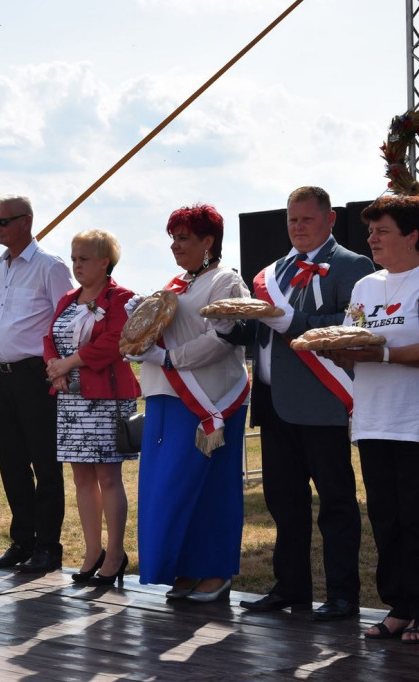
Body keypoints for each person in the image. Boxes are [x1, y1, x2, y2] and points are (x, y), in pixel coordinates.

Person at [241, 186, 374, 620]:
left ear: (330, 219)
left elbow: (352, 323)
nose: (298, 227)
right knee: (284, 503)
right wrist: (231, 328)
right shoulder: (274, 271)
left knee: (336, 503)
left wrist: (293, 320)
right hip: (274, 402)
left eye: (307, 219)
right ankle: (290, 588)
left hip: (321, 401)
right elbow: (263, 329)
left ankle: (342, 595)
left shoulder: (353, 265)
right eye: (292, 220)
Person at [128, 204, 250, 601]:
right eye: (173, 239)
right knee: (168, 490)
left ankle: (214, 570)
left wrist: (169, 358)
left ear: (208, 241)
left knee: (210, 488)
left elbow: (222, 338)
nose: (175, 246)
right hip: (166, 398)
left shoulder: (226, 280)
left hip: (208, 401)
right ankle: (184, 565)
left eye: (183, 238)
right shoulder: (177, 283)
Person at [319, 195, 419, 641]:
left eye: (383, 231)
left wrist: (383, 354)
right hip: (374, 420)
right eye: (371, 231)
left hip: (414, 421)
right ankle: (400, 606)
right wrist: (338, 352)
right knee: (386, 519)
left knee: (416, 517)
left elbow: (384, 350)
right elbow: (353, 341)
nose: (372, 239)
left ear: (412, 236)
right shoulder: (365, 287)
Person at [43, 229, 139, 586]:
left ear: (104, 262)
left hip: (107, 400)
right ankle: (92, 551)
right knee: (81, 478)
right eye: (74, 258)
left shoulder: (121, 299)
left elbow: (115, 342)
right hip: (71, 399)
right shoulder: (68, 299)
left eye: (84, 259)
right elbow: (49, 337)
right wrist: (54, 369)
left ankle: (115, 554)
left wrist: (68, 364)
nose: (77, 265)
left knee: (108, 477)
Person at [0, 195, 74, 574]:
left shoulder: (50, 266)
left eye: (2, 222)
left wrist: (59, 369)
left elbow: (67, 320)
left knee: (45, 462)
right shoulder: (0, 266)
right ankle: (22, 540)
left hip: (35, 375)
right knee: (12, 463)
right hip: (0, 376)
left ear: (26, 222)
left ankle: (48, 546)